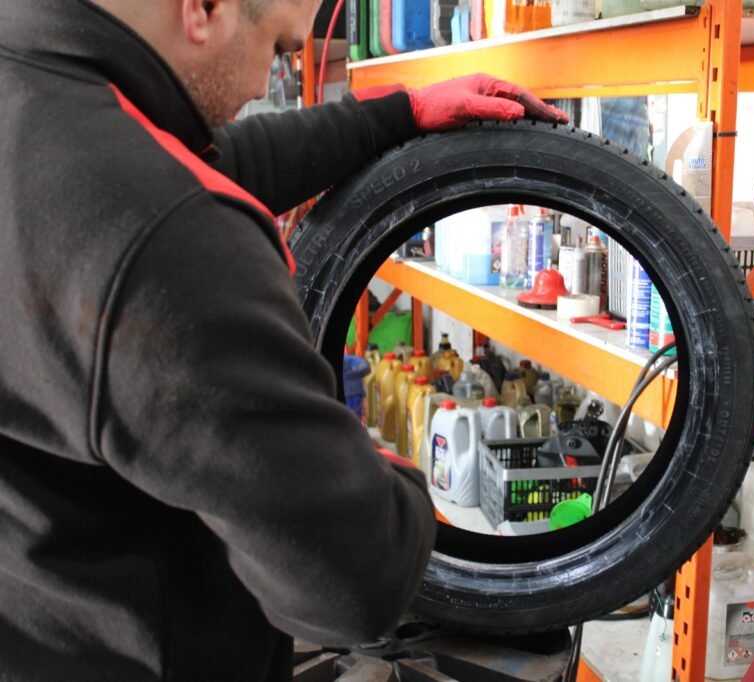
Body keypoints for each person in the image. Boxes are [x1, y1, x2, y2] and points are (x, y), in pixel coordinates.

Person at [0, 0, 567, 679]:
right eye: (277, 51)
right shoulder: (169, 239)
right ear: (203, 10)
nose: (260, 86)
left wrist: (398, 114)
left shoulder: (39, 93)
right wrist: (387, 464)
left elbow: (196, 160)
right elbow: (354, 585)